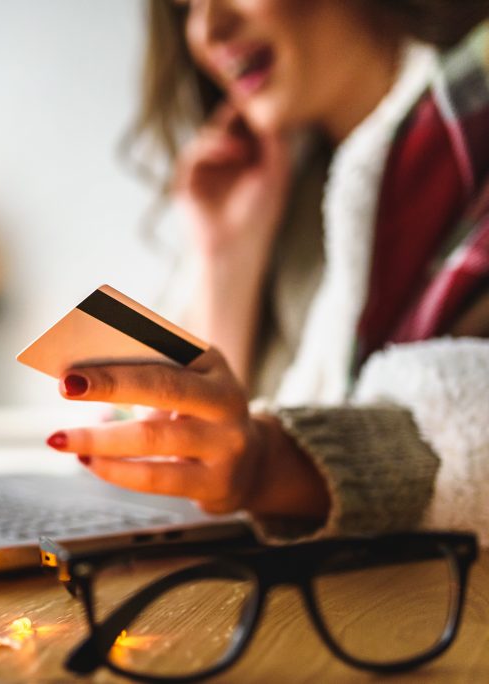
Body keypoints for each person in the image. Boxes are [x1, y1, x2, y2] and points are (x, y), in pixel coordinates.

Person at [47, 0, 489, 540]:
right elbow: (195, 467)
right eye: (185, 6)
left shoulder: (474, 122)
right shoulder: (282, 190)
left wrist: (272, 464)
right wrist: (224, 259)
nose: (210, 29)